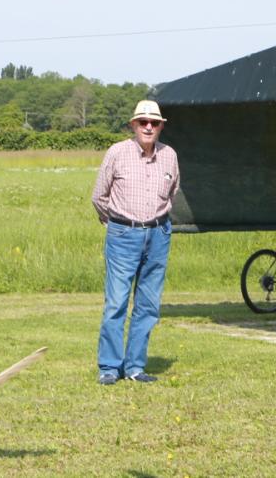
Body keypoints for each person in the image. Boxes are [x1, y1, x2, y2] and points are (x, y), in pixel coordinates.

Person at [91, 99, 180, 385]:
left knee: (149, 304)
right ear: (133, 125)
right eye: (143, 122)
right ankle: (109, 367)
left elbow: (172, 194)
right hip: (122, 234)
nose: (149, 126)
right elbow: (99, 197)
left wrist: (157, 224)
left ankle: (134, 367)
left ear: (162, 126)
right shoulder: (117, 153)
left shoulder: (170, 156)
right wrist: (117, 224)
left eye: (154, 122)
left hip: (158, 235)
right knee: (116, 302)